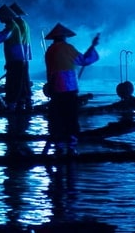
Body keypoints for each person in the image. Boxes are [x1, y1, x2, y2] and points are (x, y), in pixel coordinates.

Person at [43, 23, 100, 155]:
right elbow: (84, 60)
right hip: (69, 87)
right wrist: (93, 46)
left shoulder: (49, 51)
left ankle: (58, 145)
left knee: (57, 117)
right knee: (70, 117)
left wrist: (92, 47)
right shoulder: (68, 48)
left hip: (55, 87)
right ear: (64, 37)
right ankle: (71, 145)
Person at [0, 3, 32, 114]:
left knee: (14, 83)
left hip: (17, 58)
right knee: (20, 81)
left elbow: (4, 35)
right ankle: (22, 102)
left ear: (8, 16)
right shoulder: (20, 24)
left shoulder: (14, 26)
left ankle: (13, 105)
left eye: (1, 16)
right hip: (19, 57)